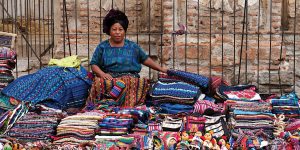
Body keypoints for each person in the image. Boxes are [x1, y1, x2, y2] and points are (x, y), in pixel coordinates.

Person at [87, 9, 168, 108]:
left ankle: (124, 108)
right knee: (99, 83)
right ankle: (102, 106)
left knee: (131, 82)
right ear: (109, 30)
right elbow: (94, 64)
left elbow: (145, 59)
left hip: (130, 77)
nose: (117, 32)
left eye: (120, 29)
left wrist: (161, 69)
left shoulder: (133, 46)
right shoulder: (102, 47)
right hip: (110, 77)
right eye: (114, 29)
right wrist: (102, 74)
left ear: (124, 30)